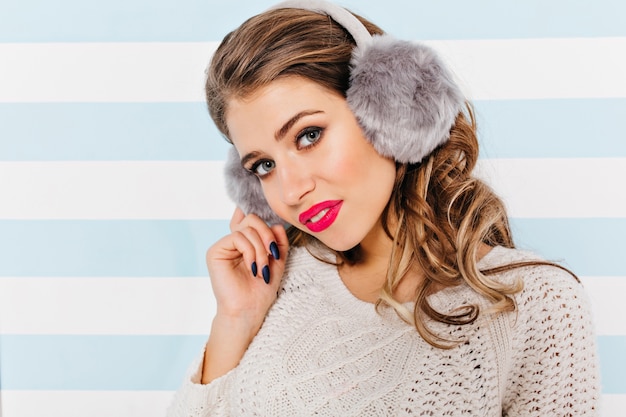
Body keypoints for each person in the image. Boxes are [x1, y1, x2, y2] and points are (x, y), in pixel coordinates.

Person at [167, 1, 601, 415]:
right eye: (263, 165)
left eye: (308, 135)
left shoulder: (536, 301)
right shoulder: (276, 285)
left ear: (392, 111)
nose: (292, 190)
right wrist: (236, 319)